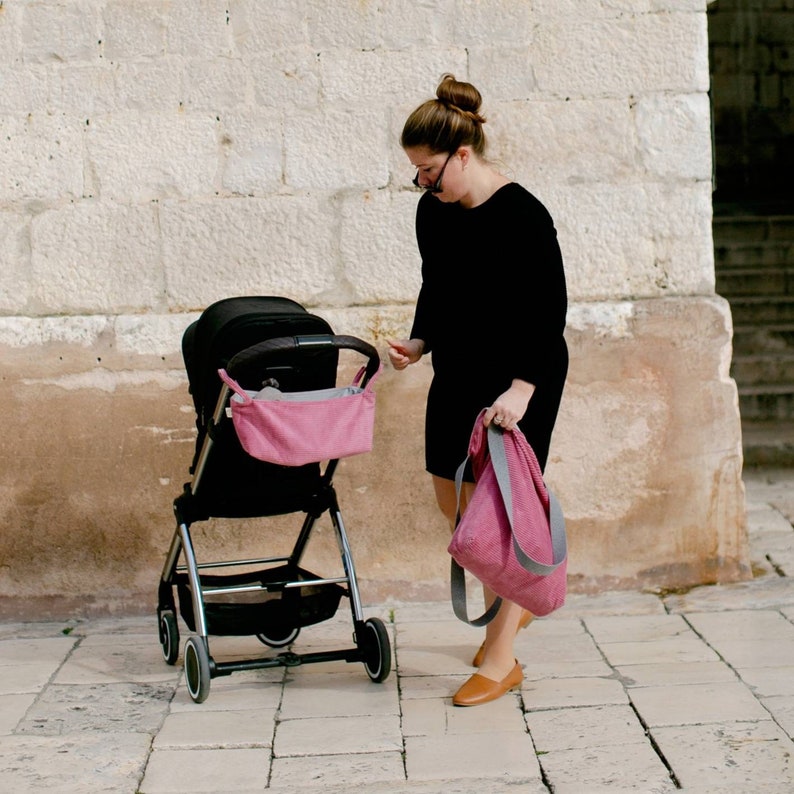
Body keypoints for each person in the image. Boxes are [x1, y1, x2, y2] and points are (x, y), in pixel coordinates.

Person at [388, 73, 568, 707]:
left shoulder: (524, 215)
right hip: (458, 369)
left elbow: (548, 312)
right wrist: (419, 341)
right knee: (458, 505)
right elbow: (437, 285)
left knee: (505, 515)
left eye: (428, 170)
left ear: (462, 155)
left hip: (521, 374)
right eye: (416, 172)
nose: (422, 182)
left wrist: (522, 389)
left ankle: (501, 656)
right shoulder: (432, 213)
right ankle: (510, 611)